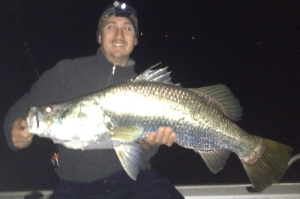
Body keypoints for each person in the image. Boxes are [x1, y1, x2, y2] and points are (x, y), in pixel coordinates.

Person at [4, 1, 185, 198]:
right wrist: (14, 127)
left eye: (127, 28)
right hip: (76, 187)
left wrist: (149, 143)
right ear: (99, 36)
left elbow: (142, 151)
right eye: (110, 27)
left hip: (136, 182)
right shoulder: (66, 73)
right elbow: (25, 107)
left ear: (135, 40)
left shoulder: (149, 91)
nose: (119, 34)